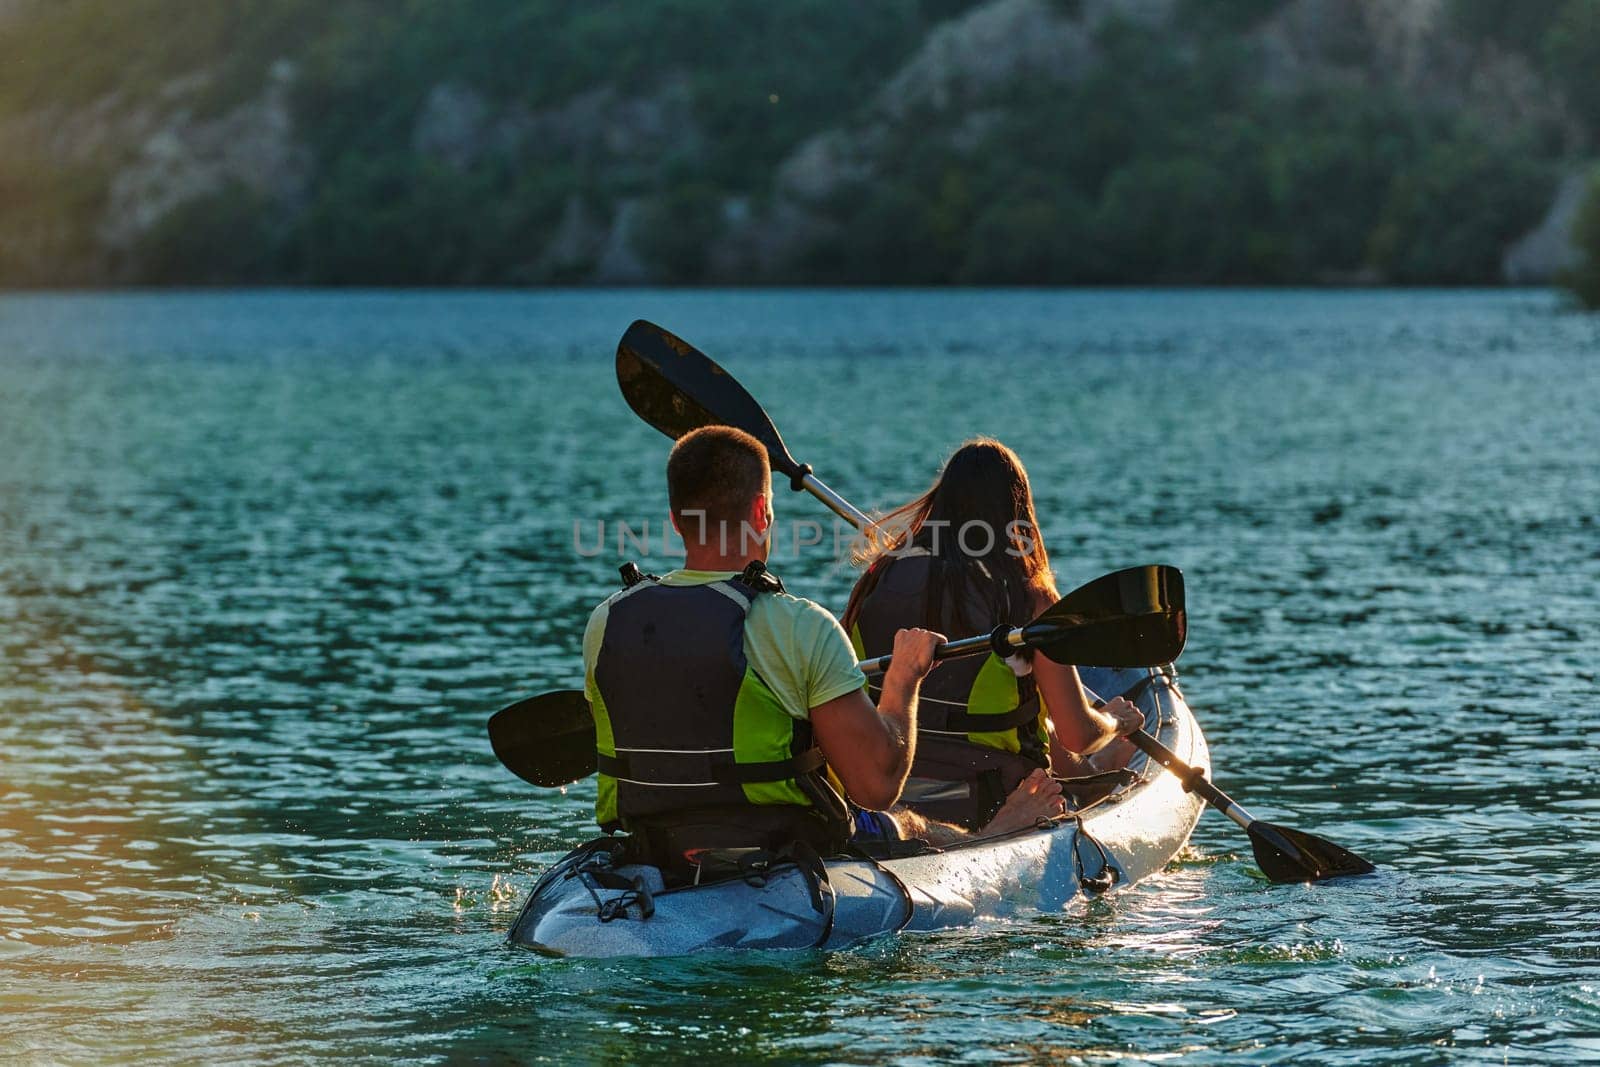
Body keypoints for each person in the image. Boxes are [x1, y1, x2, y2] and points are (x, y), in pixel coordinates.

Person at [580, 426, 1064, 881]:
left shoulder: (607, 621)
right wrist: (903, 681)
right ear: (761, 513)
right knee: (908, 823)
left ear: (675, 520)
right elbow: (876, 786)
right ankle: (995, 836)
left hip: (657, 845)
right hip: (780, 844)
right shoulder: (799, 625)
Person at [841, 437, 1146, 832]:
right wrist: (1115, 722)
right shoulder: (1028, 599)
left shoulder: (876, 579)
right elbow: (1078, 733)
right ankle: (1094, 770)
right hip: (991, 799)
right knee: (1051, 714)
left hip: (881, 787)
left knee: (1029, 703)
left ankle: (1092, 771)